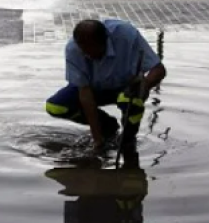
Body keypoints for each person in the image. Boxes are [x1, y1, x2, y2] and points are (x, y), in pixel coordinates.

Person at [45, 19, 166, 153]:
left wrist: (144, 86)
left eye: (92, 50)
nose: (87, 55)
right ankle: (108, 126)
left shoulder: (127, 35)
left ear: (105, 41)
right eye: (84, 50)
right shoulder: (73, 49)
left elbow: (159, 69)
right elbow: (85, 94)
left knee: (131, 103)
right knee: (55, 107)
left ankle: (128, 141)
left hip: (126, 88)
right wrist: (97, 139)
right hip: (94, 89)